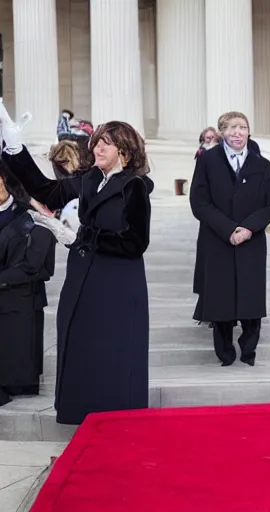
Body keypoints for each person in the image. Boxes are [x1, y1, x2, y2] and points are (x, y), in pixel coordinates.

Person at [0, 104, 154, 425]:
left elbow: (135, 242)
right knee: (80, 341)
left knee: (112, 347)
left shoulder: (134, 187)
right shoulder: (87, 180)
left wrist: (81, 239)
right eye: (96, 141)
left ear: (123, 151)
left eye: (105, 143)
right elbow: (46, 191)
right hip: (84, 275)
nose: (96, 147)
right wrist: (15, 151)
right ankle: (82, 412)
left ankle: (115, 416)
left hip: (118, 281)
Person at [190, 112, 270, 366]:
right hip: (218, 240)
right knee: (221, 298)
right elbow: (199, 203)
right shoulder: (207, 161)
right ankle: (224, 352)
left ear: (248, 132)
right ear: (222, 132)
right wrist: (228, 229)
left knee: (250, 298)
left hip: (250, 242)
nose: (237, 132)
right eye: (232, 127)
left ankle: (249, 349)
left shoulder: (261, 165)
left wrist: (249, 228)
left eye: (242, 127)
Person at [0, 163, 57, 407]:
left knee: (15, 369)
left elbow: (36, 265)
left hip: (18, 303)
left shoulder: (31, 216)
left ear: (4, 178)